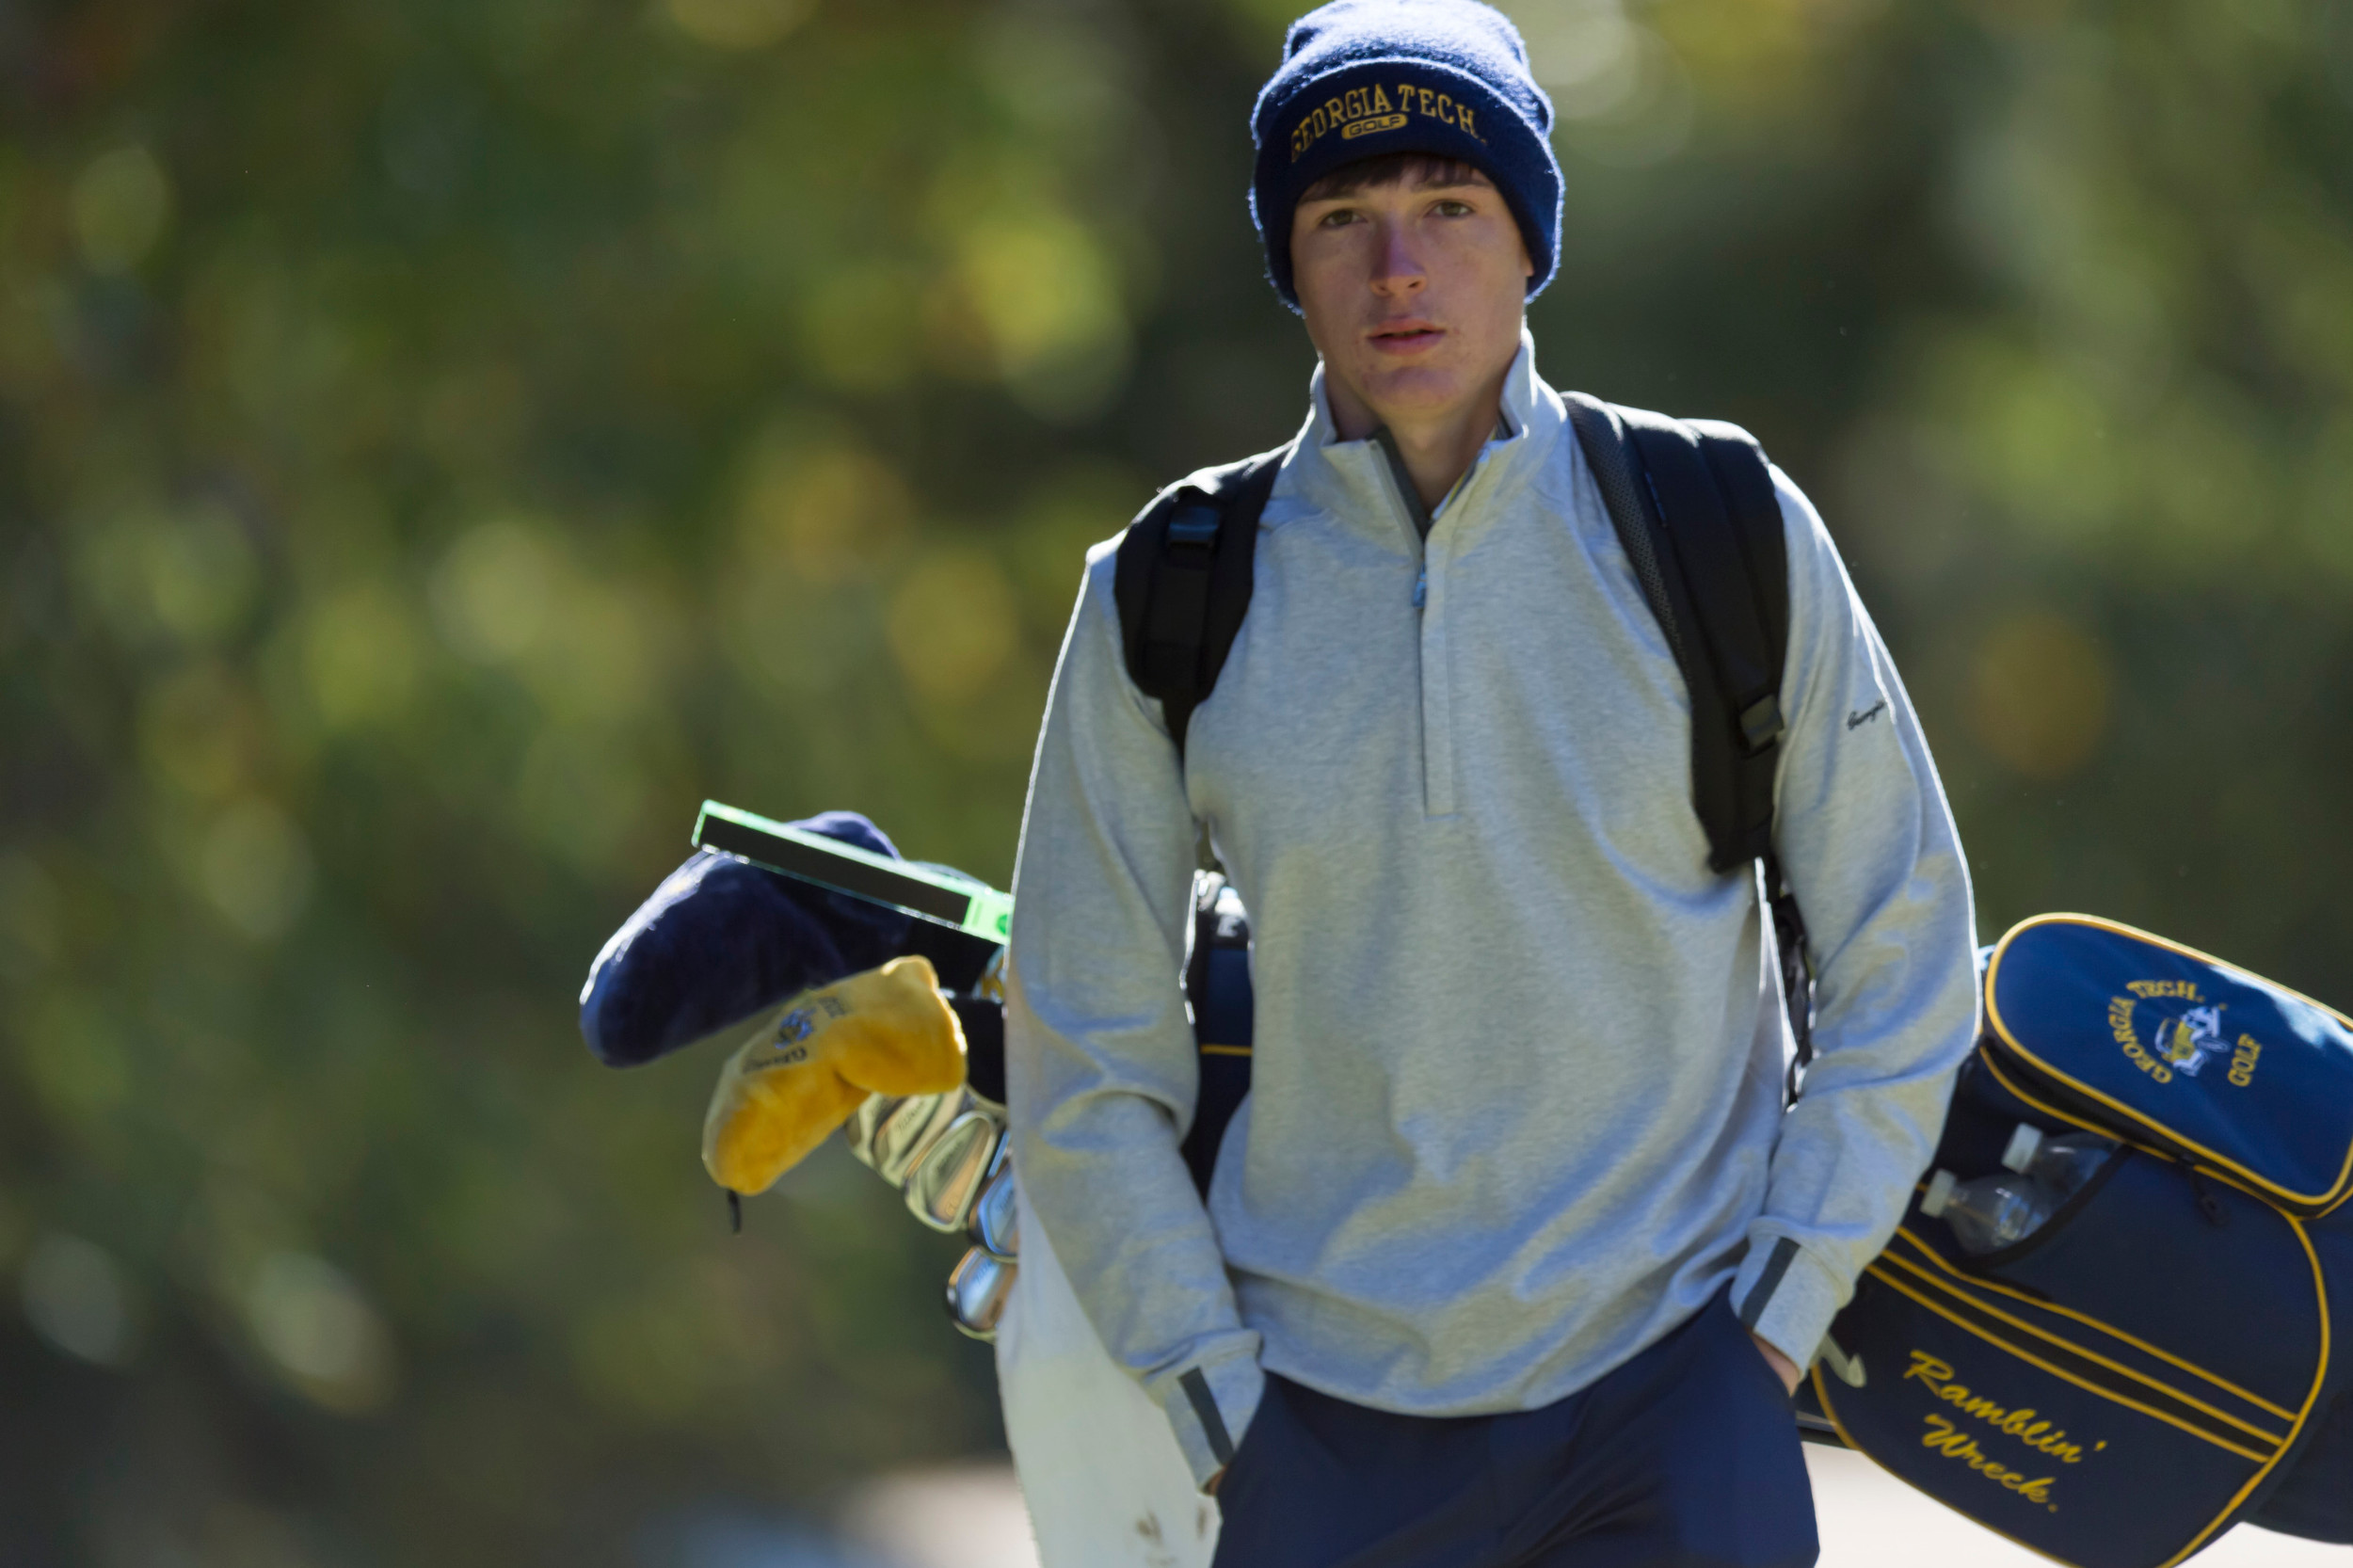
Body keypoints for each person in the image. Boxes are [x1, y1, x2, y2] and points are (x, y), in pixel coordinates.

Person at [1002, 1, 1980, 1563]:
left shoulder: (1720, 523)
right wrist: (1219, 1412)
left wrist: (1775, 1324)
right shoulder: (1167, 590)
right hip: (1313, 1441)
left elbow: (1904, 948)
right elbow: (1084, 1052)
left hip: (1673, 1399)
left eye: (1450, 208)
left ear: (1528, 242)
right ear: (1290, 262)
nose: (1400, 271)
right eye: (1344, 219)